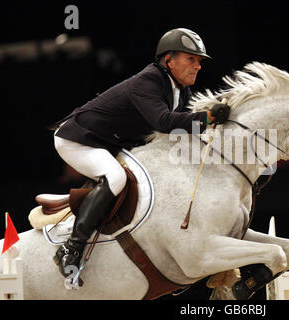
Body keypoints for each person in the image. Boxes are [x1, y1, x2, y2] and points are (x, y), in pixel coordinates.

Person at [50, 28, 230, 279]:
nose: (197, 66)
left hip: (109, 143)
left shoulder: (180, 91)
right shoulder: (149, 80)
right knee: (115, 177)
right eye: (191, 59)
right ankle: (72, 247)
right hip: (79, 139)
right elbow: (165, 122)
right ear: (169, 60)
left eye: (199, 61)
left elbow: (187, 126)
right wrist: (209, 116)